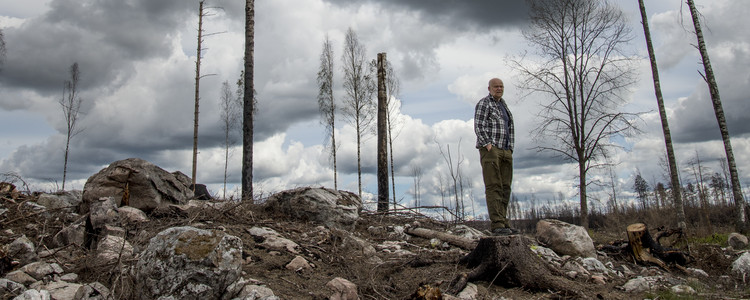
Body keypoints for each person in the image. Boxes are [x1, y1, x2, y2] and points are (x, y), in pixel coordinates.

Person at [474, 78, 517, 236]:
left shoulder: (503, 105)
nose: (499, 89)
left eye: (501, 86)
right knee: (494, 186)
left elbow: (510, 127)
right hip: (491, 149)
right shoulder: (484, 103)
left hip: (505, 150)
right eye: (496, 86)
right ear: (489, 88)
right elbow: (479, 125)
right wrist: (488, 144)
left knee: (505, 187)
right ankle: (497, 224)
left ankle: (504, 221)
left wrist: (510, 148)